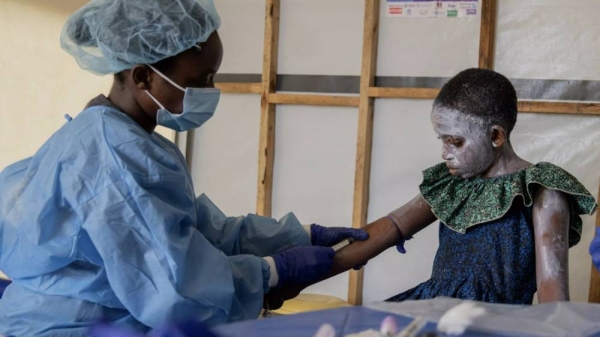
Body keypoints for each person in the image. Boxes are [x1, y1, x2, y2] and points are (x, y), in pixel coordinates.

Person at [0, 1, 367, 336]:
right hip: (71, 327)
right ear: (143, 76)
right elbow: (174, 289)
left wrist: (301, 235)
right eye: (200, 81)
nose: (211, 91)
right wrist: (272, 271)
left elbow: (203, 232)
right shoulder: (115, 157)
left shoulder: (129, 140)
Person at [267, 68, 598, 307]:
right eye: (441, 140)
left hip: (494, 323)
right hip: (430, 311)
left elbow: (552, 289)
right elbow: (389, 228)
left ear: (496, 136)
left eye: (455, 141)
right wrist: (299, 275)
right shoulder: (451, 182)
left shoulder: (540, 190)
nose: (445, 153)